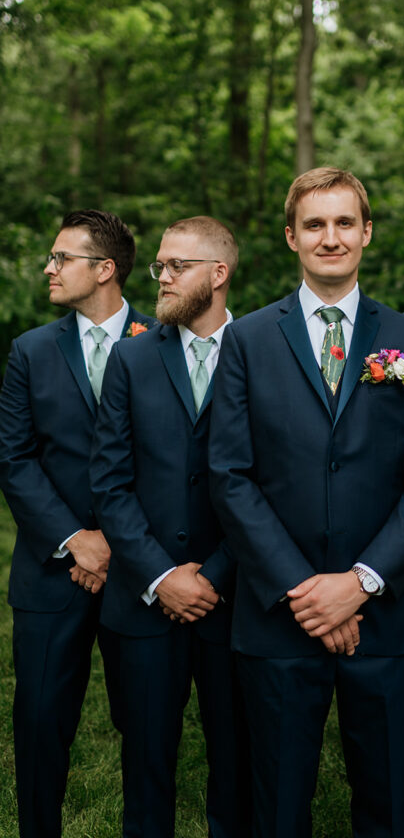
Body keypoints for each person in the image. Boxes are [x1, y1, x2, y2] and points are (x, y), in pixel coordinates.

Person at [209, 167, 404, 838]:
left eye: (344, 222)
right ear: (291, 237)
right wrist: (304, 590)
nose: (330, 236)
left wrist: (361, 583)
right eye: (314, 224)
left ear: (366, 233)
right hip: (280, 619)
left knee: (387, 801)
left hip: (387, 616)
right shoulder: (247, 340)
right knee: (278, 803)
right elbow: (230, 474)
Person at [89, 216, 249, 838]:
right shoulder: (130, 358)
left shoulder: (262, 349)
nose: (161, 277)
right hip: (145, 600)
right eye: (160, 265)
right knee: (145, 761)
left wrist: (214, 573)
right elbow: (110, 482)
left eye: (176, 266)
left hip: (235, 597)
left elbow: (273, 483)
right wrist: (160, 575)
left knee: (235, 760)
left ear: (218, 274)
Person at [0, 209, 154, 838]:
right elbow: (14, 457)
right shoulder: (30, 351)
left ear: (105, 269)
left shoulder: (163, 342)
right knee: (39, 720)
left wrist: (120, 545)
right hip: (50, 570)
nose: (49, 268)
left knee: (145, 722)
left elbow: (178, 462)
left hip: (139, 571)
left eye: (62, 258)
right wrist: (75, 540)